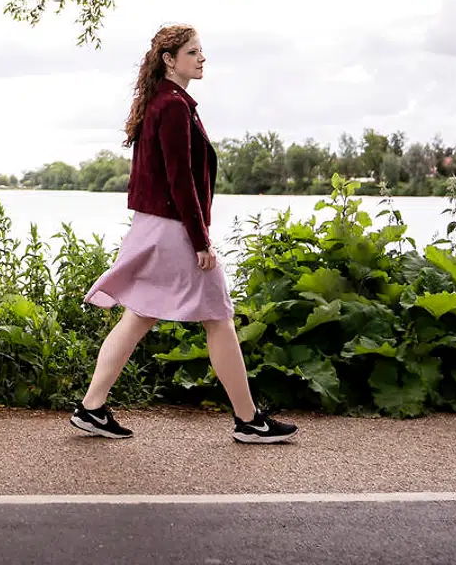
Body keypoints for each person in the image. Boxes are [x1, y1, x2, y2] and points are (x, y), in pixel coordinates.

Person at [69, 24, 297, 444]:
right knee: (218, 317)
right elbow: (180, 181)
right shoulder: (173, 107)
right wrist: (201, 241)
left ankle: (91, 406)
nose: (202, 58)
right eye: (193, 52)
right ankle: (249, 421)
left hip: (153, 226)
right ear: (170, 60)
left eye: (201, 51)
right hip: (174, 229)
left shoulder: (163, 102)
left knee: (140, 315)